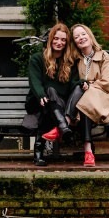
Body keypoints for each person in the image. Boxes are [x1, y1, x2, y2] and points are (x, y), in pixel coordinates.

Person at [27, 22, 78, 167]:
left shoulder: (69, 62)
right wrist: (41, 94)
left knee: (50, 105)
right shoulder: (37, 58)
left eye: (63, 40)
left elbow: (73, 84)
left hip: (59, 104)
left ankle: (38, 153)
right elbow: (34, 81)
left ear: (67, 43)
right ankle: (63, 127)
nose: (59, 42)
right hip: (38, 101)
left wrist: (82, 82)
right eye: (56, 38)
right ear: (50, 39)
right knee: (49, 92)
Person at [70, 23, 109, 167]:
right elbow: (72, 82)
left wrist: (90, 85)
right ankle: (88, 150)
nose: (81, 38)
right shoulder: (75, 60)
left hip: (105, 97)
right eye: (77, 37)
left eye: (83, 34)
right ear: (75, 43)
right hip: (85, 102)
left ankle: (66, 124)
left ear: (90, 36)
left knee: (87, 95)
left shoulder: (104, 56)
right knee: (86, 99)